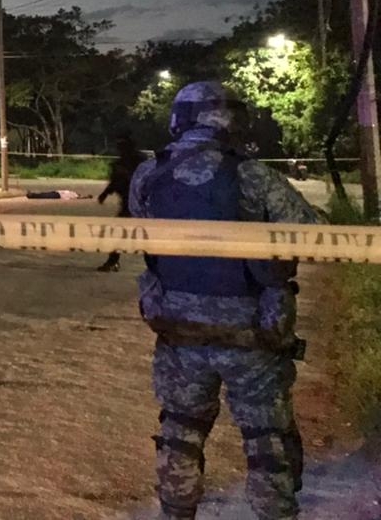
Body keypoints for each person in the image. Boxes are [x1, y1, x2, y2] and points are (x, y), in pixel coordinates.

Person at [129, 81, 321, 520]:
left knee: (181, 429)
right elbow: (315, 235)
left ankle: (177, 511)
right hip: (252, 334)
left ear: (182, 118)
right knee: (266, 437)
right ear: (232, 120)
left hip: (178, 332)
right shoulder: (253, 175)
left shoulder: (150, 174)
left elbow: (145, 228)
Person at [96, 133, 142, 272]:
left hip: (138, 203)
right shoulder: (122, 164)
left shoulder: (137, 162)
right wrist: (105, 193)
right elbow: (115, 182)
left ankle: (112, 262)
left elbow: (118, 181)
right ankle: (112, 261)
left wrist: (105, 193)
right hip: (130, 204)